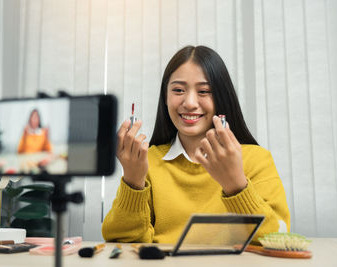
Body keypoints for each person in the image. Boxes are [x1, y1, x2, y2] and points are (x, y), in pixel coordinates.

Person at [101, 45, 290, 244]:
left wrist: (236, 185)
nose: (190, 102)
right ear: (165, 98)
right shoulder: (148, 161)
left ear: (221, 98)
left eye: (204, 91)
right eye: (178, 90)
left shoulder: (256, 159)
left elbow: (280, 238)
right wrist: (133, 182)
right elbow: (122, 241)